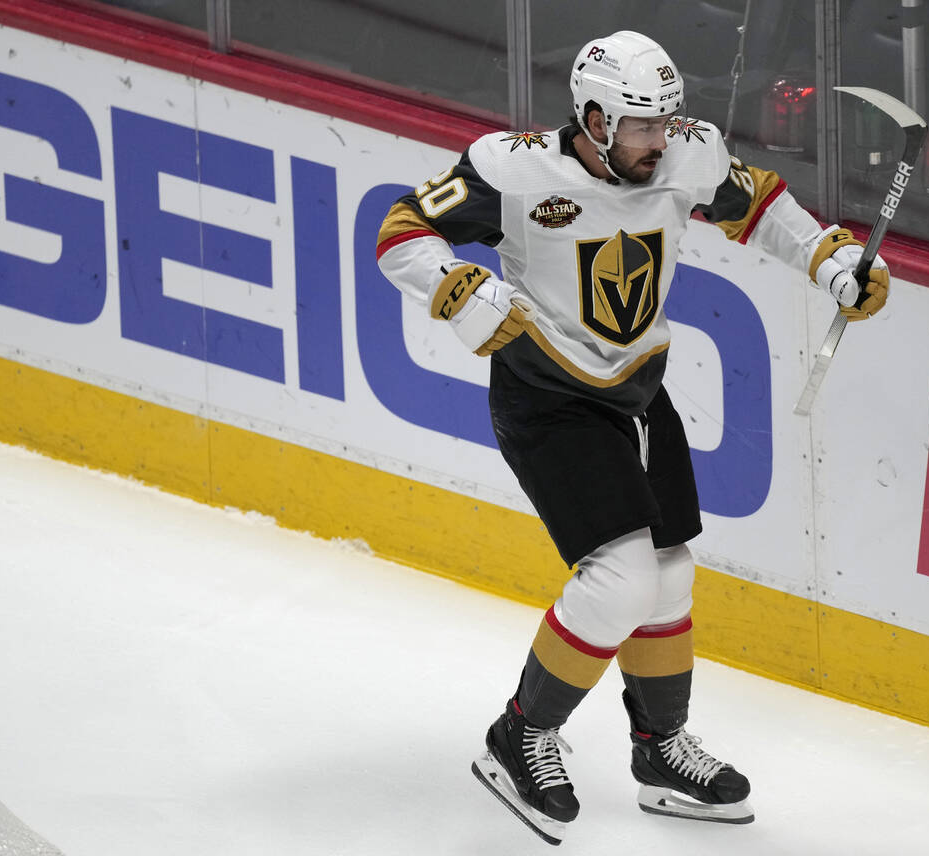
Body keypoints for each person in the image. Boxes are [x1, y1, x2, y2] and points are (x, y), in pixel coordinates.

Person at [376, 31, 889, 844]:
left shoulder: (683, 155)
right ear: (592, 117)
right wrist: (459, 292)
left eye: (666, 122)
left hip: (638, 396)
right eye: (642, 126)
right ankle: (521, 737)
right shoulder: (512, 171)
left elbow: (757, 206)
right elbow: (401, 231)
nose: (661, 140)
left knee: (671, 574)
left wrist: (832, 262)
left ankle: (658, 751)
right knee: (618, 581)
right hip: (546, 398)